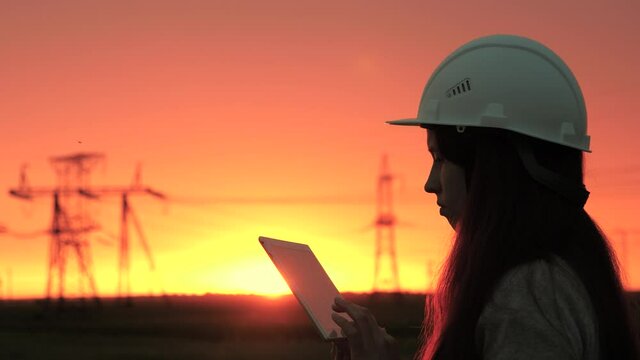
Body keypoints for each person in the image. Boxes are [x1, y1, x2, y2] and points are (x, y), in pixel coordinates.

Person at [330, 34, 640, 359]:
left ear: (489, 167)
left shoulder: (527, 296)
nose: (430, 183)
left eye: (440, 158)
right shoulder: (561, 274)